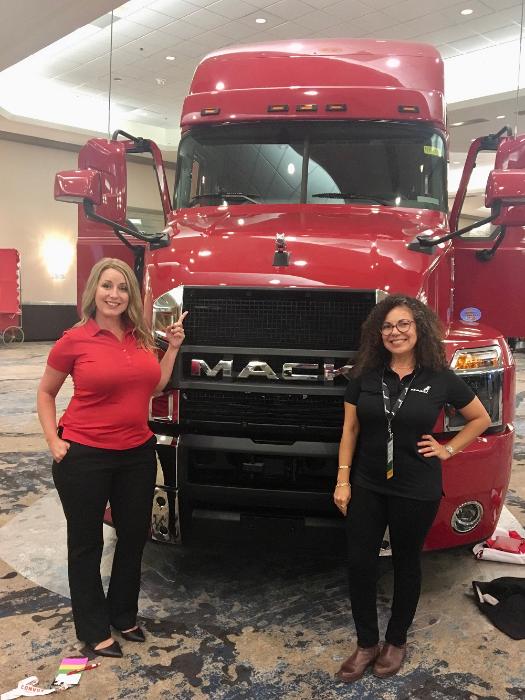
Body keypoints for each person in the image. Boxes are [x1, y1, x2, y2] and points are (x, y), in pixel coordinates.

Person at [333, 295, 491, 682]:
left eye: (403, 324)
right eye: (387, 326)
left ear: (419, 328)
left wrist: (448, 449)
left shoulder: (439, 377)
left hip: (416, 487)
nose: (395, 332)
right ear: (378, 333)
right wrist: (342, 480)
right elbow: (350, 430)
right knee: (360, 563)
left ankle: (396, 641)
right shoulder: (365, 376)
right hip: (368, 483)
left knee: (406, 563)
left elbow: (480, 418)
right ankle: (366, 643)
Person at [37, 258, 187, 658]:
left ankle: (123, 615)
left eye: (122, 288)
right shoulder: (74, 340)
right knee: (85, 544)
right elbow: (46, 392)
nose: (114, 295)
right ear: (94, 290)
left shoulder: (141, 338)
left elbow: (154, 385)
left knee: (133, 537)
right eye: (107, 286)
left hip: (137, 454)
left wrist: (172, 348)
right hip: (84, 456)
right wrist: (53, 439)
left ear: (131, 296)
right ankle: (93, 628)